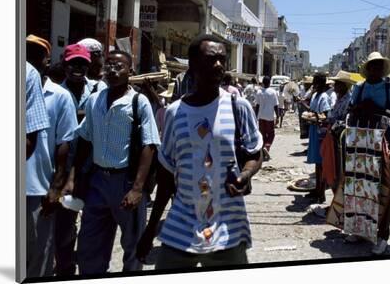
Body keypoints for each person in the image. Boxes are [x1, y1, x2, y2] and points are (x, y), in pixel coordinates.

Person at [136, 34, 263, 269]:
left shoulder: (238, 106)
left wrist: (245, 175)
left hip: (229, 229)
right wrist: (150, 230)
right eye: (210, 59)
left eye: (222, 60)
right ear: (192, 65)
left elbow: (255, 153)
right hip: (181, 226)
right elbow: (166, 177)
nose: (218, 65)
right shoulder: (175, 113)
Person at [72, 50, 161, 274]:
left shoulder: (138, 103)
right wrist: (75, 178)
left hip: (126, 183)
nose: (112, 70)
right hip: (98, 182)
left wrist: (137, 189)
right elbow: (85, 139)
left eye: (119, 66)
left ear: (130, 72)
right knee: (90, 245)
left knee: (132, 246)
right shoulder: (95, 100)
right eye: (109, 65)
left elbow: (149, 146)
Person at [26, 35, 77, 278]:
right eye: (26, 53)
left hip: (39, 189)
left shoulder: (59, 96)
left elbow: (64, 147)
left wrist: (56, 188)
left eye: (37, 56)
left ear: (46, 61)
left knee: (39, 256)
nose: (30, 61)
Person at [54, 44, 105, 276]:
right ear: (65, 66)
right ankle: (66, 268)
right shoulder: (55, 93)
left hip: (93, 169)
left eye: (82, 64)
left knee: (93, 226)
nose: (78, 68)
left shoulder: (98, 90)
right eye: (73, 63)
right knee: (64, 224)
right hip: (63, 169)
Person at [348, 52, 390, 255]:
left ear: (382, 69)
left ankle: (382, 236)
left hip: (380, 144)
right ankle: (359, 229)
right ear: (368, 69)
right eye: (373, 66)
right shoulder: (359, 87)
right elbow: (351, 110)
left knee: (383, 190)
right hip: (360, 143)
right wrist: (359, 108)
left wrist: (378, 110)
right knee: (359, 187)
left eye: (379, 66)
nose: (376, 69)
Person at [304, 72, 332, 204]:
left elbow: (324, 115)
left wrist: (314, 117)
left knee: (321, 164)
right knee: (316, 162)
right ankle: (317, 189)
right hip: (313, 131)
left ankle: (321, 193)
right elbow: (312, 110)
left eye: (317, 83)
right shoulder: (315, 95)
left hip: (320, 132)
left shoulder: (324, 97)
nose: (315, 86)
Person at [255, 76, 280, 161]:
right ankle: (267, 146)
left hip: (261, 117)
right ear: (269, 83)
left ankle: (263, 150)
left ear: (262, 83)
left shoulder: (259, 92)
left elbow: (257, 105)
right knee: (271, 134)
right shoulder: (273, 92)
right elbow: (276, 105)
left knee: (262, 134)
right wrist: (278, 116)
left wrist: (255, 116)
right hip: (269, 117)